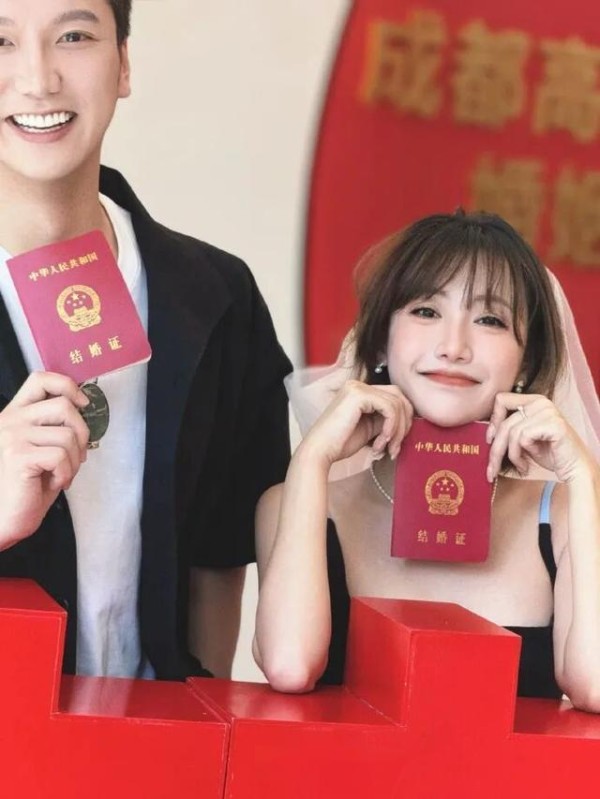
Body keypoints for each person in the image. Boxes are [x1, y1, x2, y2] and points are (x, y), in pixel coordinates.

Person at [0, 0, 291, 681]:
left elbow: (221, 556)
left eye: (74, 36)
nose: (38, 79)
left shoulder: (216, 296)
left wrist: (192, 724)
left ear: (124, 63)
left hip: (152, 732)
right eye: (1, 42)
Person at [253, 209, 600, 712]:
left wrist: (582, 478)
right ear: (380, 340)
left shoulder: (565, 514)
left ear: (526, 360)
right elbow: (290, 666)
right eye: (425, 311)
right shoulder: (297, 503)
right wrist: (312, 460)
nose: (454, 347)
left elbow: (595, 684)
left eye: (490, 320)